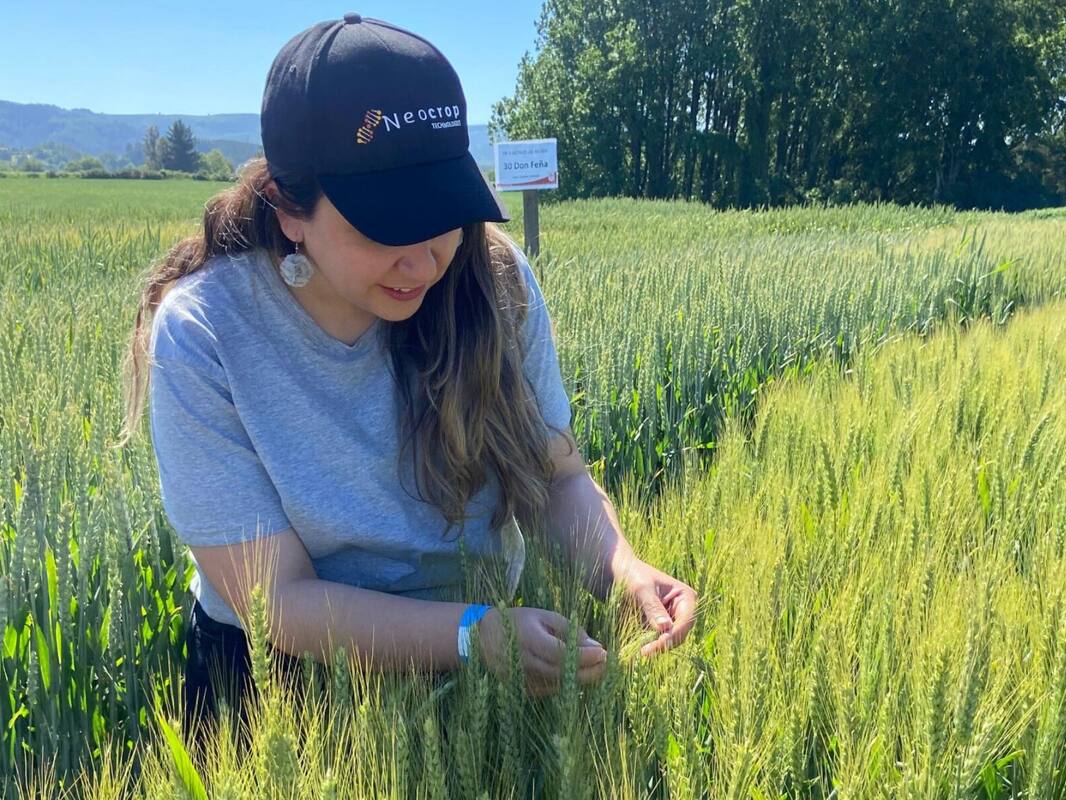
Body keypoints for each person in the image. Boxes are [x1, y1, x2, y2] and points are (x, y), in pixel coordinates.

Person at [115, 14, 698, 745]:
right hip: (280, 690)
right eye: (386, 226)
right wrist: (469, 634)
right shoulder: (206, 331)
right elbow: (276, 602)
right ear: (290, 211)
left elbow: (555, 478)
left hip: (492, 663)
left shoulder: (492, 280)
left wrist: (623, 570)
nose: (424, 262)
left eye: (444, 213)